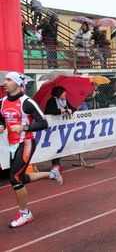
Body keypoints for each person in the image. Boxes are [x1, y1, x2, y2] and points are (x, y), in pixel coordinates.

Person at [0, 72, 64, 228]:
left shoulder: (27, 102)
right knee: (19, 178)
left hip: (26, 142)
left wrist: (24, 127)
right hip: (12, 144)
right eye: (5, 79)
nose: (5, 82)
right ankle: (52, 173)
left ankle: (25, 213)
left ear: (17, 83)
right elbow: (1, 116)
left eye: (9, 80)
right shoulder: (2, 101)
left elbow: (43, 123)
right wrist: (1, 124)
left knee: (14, 178)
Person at [44, 86, 76, 166]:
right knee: (56, 143)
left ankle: (57, 159)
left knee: (62, 142)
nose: (65, 93)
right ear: (58, 93)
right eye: (63, 92)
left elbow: (72, 108)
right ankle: (55, 161)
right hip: (54, 127)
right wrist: (58, 111)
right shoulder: (51, 101)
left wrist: (71, 110)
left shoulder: (65, 101)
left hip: (63, 125)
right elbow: (47, 111)